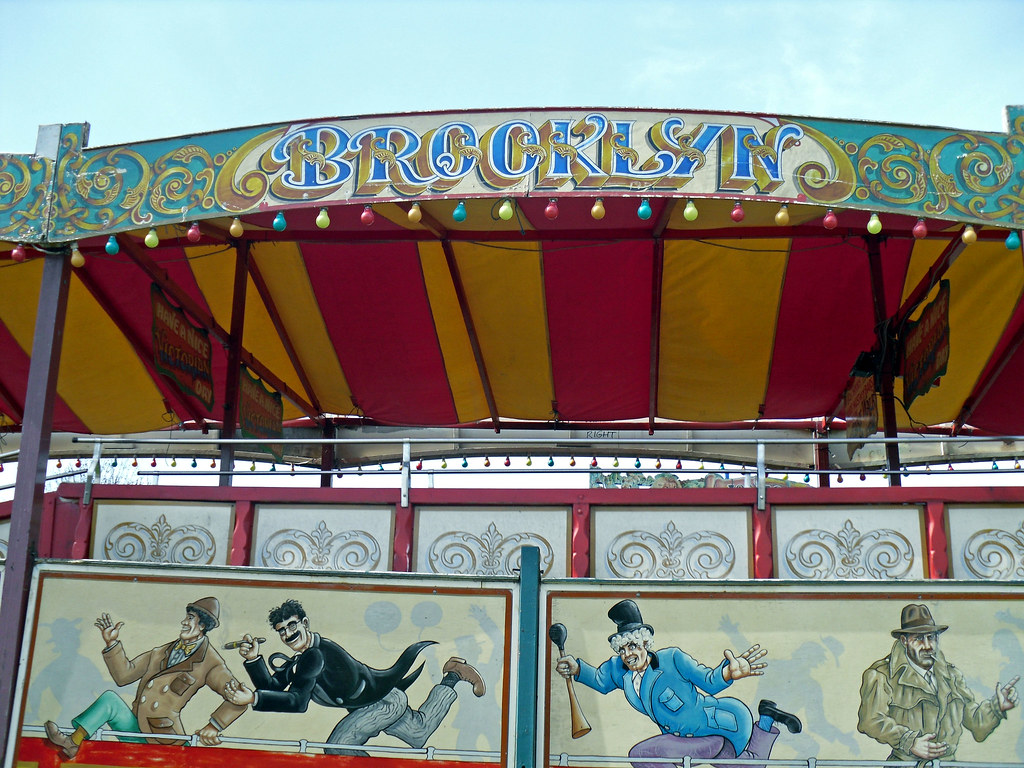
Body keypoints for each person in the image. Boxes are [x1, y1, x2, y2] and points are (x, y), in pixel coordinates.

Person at [555, 600, 801, 768]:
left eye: (632, 646)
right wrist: (576, 668)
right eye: (622, 649)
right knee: (748, 766)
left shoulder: (672, 659)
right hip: (687, 741)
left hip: (714, 729)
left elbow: (708, 681)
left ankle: (764, 720)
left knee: (640, 755)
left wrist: (728, 673)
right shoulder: (620, 671)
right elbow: (599, 679)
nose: (627, 654)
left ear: (644, 644)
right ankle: (767, 719)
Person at [225, 598, 484, 756]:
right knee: (418, 732)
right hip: (380, 701)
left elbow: (297, 702)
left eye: (292, 626)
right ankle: (453, 674)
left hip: (381, 703)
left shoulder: (315, 655)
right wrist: (253, 659)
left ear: (305, 622)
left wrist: (253, 698)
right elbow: (274, 687)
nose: (288, 634)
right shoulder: (302, 659)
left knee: (338, 748)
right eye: (282, 631)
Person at [43, 597, 246, 760]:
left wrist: (214, 726)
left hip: (166, 742)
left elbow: (239, 697)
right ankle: (73, 742)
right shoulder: (160, 652)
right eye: (186, 617)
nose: (184, 622)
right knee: (110, 700)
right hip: (137, 730)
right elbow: (124, 676)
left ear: (202, 625)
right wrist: (112, 644)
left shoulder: (210, 661)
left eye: (190, 618)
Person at [858, 603, 1019, 763]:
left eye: (932, 637)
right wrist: (908, 741)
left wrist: (997, 706)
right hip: (906, 765)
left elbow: (976, 724)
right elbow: (870, 720)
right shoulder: (882, 675)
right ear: (904, 641)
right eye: (919, 639)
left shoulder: (951, 675)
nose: (928, 646)